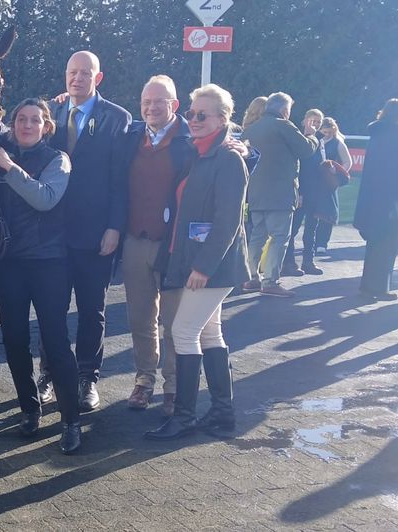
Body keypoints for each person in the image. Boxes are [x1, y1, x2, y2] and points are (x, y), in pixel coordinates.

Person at [145, 84, 250, 441]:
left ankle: (185, 416)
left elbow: (229, 221)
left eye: (202, 115)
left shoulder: (228, 158)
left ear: (223, 119)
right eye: (191, 114)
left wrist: (203, 267)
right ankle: (222, 412)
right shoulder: (199, 153)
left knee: (183, 332)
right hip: (198, 259)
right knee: (209, 332)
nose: (194, 119)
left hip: (214, 266)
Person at [39, 50, 131, 412]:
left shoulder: (117, 118)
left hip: (96, 234)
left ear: (98, 77)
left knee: (92, 310)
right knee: (52, 308)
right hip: (54, 233)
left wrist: (114, 227)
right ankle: (48, 374)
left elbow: (120, 180)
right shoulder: (51, 112)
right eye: (71, 72)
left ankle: (87, 377)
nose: (77, 79)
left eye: (85, 73)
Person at [0, 98, 81, 453]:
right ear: (13, 125)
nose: (27, 125)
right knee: (13, 340)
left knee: (55, 341)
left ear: (46, 126)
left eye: (35, 120)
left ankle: (71, 421)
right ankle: (29, 409)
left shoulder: (58, 159)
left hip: (48, 263)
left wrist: (9, 168)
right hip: (9, 262)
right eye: (21, 120)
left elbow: (45, 199)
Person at [119, 75, 193, 416]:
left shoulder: (189, 141)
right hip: (136, 240)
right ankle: (144, 380)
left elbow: (230, 156)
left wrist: (246, 150)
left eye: (159, 102)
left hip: (173, 245)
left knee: (173, 321)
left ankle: (173, 386)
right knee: (140, 318)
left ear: (174, 105)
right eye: (146, 101)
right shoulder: (131, 135)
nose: (151, 107)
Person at [242, 92, 318, 297]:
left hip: (255, 192)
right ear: (285, 111)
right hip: (280, 194)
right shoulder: (284, 125)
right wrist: (311, 135)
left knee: (257, 237)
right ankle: (270, 281)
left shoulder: (251, 129)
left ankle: (251, 278)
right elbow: (306, 150)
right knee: (279, 237)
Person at [354, 99, 398, 301]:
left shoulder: (377, 134)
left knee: (374, 244)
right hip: (390, 198)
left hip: (374, 197)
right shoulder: (393, 135)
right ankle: (379, 288)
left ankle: (369, 286)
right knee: (387, 246)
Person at [282, 108, 324, 277]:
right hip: (301, 191)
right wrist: (298, 192)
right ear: (304, 120)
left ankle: (308, 261)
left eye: (318, 122)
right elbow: (297, 168)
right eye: (312, 120)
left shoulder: (321, 141)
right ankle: (289, 263)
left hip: (315, 192)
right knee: (292, 230)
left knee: (312, 229)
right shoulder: (298, 138)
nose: (315, 124)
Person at [313, 117, 353, 258]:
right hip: (315, 182)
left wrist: (338, 172)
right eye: (324, 132)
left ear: (334, 130)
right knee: (313, 212)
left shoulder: (338, 143)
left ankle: (322, 243)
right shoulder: (315, 141)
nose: (327, 134)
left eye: (330, 131)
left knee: (328, 212)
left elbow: (348, 162)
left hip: (329, 182)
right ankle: (311, 242)